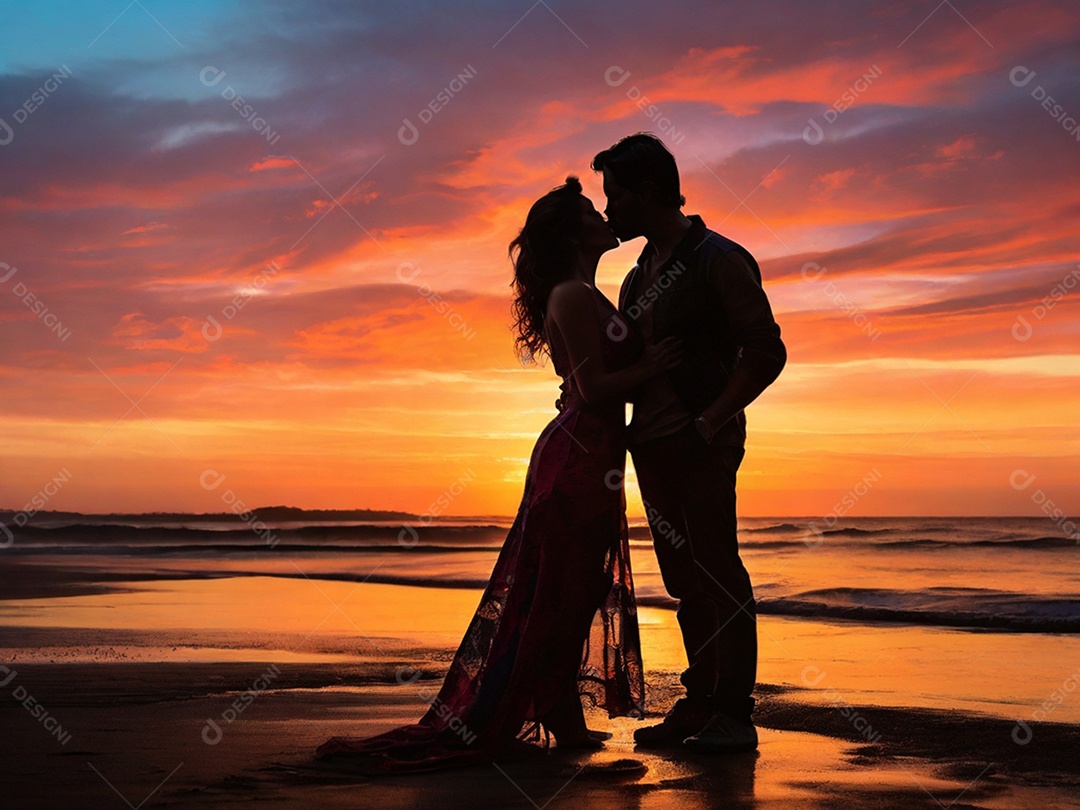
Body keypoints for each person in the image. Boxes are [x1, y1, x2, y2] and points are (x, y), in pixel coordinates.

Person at [315, 176, 682, 772]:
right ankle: (560, 719)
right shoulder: (569, 293)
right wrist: (651, 364)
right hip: (577, 459)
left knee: (576, 588)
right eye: (591, 209)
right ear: (570, 233)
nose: (603, 213)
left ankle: (563, 716)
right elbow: (591, 390)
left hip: (594, 458)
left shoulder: (588, 290)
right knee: (563, 591)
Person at [591, 133, 787, 753]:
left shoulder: (717, 258)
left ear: (649, 192)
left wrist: (712, 420)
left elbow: (766, 350)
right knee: (683, 579)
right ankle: (700, 703)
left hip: (701, 441)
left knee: (719, 569)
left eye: (615, 196)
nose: (608, 211)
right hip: (650, 448)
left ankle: (734, 714)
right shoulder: (634, 277)